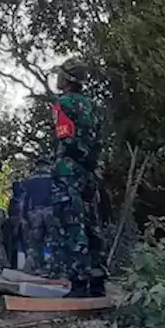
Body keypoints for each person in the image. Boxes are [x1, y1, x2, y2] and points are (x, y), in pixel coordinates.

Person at [47, 60, 104, 297]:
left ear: (68, 80)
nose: (57, 79)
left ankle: (79, 283)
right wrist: (89, 162)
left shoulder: (63, 104)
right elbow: (99, 143)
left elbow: (67, 139)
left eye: (59, 75)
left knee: (72, 224)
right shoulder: (93, 106)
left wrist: (71, 158)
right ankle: (98, 282)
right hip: (89, 173)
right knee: (92, 225)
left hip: (69, 170)